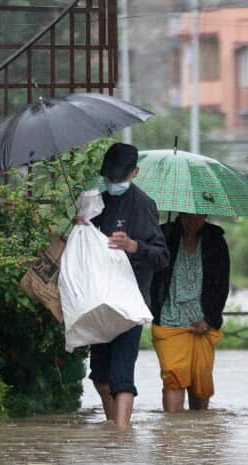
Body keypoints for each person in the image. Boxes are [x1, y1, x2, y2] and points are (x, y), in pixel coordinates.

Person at [76, 143, 168, 428]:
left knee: (121, 374)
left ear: (135, 173)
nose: (113, 183)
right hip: (99, 300)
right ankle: (115, 428)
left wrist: (133, 246)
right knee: (100, 376)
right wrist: (80, 225)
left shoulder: (144, 206)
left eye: (119, 178)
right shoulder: (97, 203)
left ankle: (121, 434)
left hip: (130, 303)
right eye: (109, 178)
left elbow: (161, 256)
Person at [149, 213, 230, 412]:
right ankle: (173, 434)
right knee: (173, 378)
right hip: (168, 318)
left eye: (198, 217)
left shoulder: (215, 240)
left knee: (200, 380)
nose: (193, 221)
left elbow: (221, 284)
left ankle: (198, 435)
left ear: (206, 216)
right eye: (188, 216)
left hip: (201, 319)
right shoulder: (163, 235)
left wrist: (210, 319)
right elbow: (151, 273)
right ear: (180, 214)